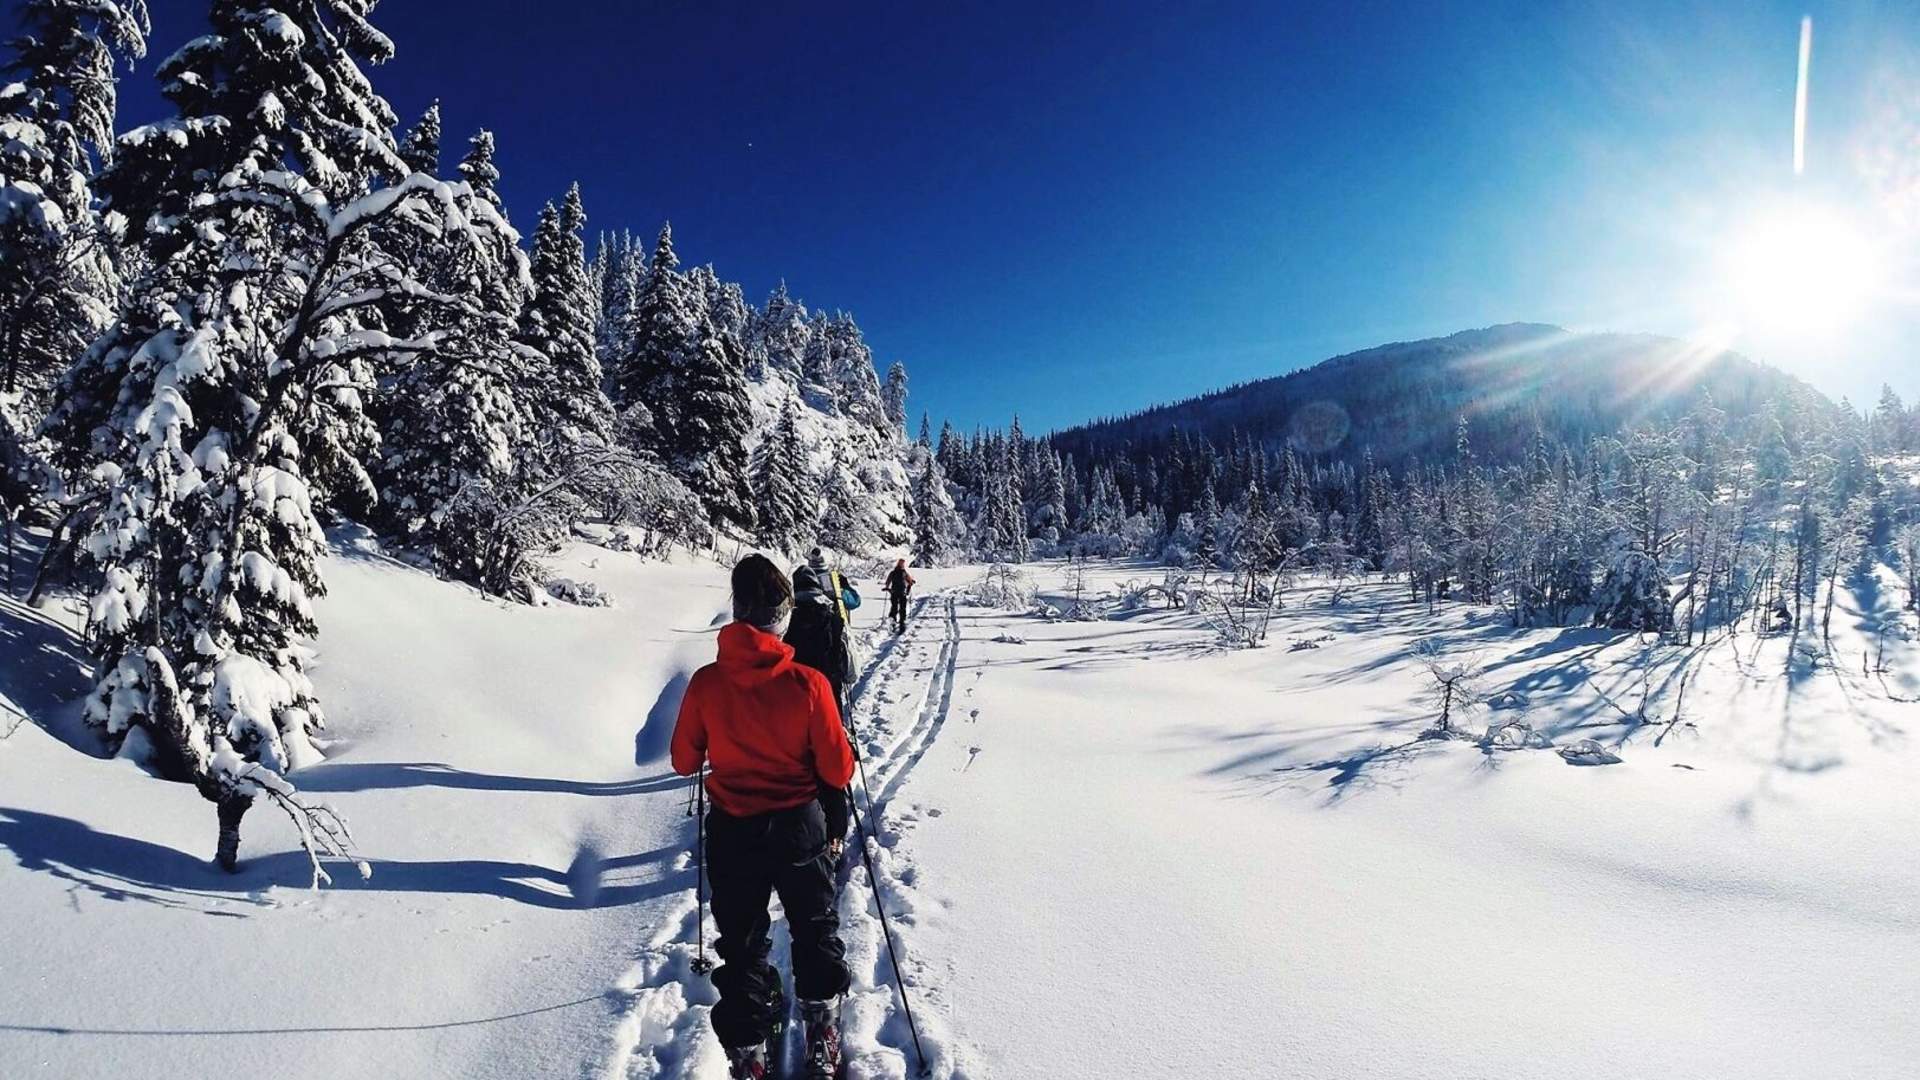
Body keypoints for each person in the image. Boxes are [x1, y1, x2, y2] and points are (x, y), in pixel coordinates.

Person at [672, 555, 856, 1080]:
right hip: (799, 827)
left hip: (734, 831)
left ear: (738, 611)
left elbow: (684, 760)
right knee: (814, 929)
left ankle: (750, 1053)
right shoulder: (808, 683)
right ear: (783, 617)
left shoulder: (707, 683)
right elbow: (838, 770)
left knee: (742, 947)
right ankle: (822, 1034)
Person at [785, 548, 856, 707]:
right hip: (829, 693)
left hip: (796, 698)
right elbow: (851, 671)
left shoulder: (786, 623)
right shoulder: (834, 618)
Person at [883, 558, 915, 634]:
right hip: (902, 593)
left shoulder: (893, 572)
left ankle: (892, 622)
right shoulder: (904, 573)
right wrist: (911, 583)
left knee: (894, 607)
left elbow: (888, 581)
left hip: (894, 592)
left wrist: (887, 587)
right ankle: (902, 623)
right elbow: (910, 581)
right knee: (902, 608)